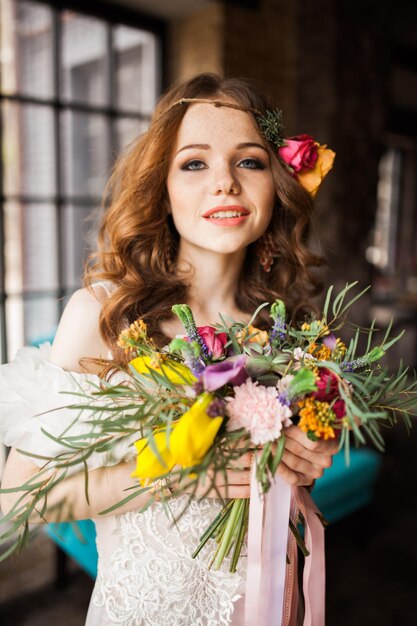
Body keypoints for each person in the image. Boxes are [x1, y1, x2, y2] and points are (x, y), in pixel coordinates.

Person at [0, 73, 338, 626]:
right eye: (195, 163)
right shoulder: (105, 316)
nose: (225, 182)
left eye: (249, 161)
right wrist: (177, 475)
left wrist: (304, 456)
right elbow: (21, 500)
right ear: (163, 187)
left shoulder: (285, 325)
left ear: (275, 183)